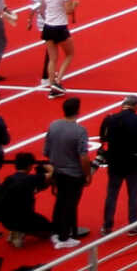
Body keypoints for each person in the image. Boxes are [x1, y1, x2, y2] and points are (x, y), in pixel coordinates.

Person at [97, 95, 137, 233]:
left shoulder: (110, 119)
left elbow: (103, 139)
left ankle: (107, 226)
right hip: (132, 162)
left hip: (114, 161)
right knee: (133, 194)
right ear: (136, 105)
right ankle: (133, 225)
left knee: (112, 194)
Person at [43, 98, 89, 245]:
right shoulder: (79, 131)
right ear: (78, 110)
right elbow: (83, 156)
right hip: (73, 174)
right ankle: (64, 237)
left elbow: (46, 150)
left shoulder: (53, 125)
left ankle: (56, 232)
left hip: (57, 171)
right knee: (70, 204)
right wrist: (87, 174)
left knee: (60, 202)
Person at [24, 0, 74, 94]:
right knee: (69, 54)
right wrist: (74, 6)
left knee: (52, 59)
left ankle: (52, 85)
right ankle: (58, 81)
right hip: (60, 27)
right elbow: (69, 10)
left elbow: (41, 8)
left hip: (47, 27)